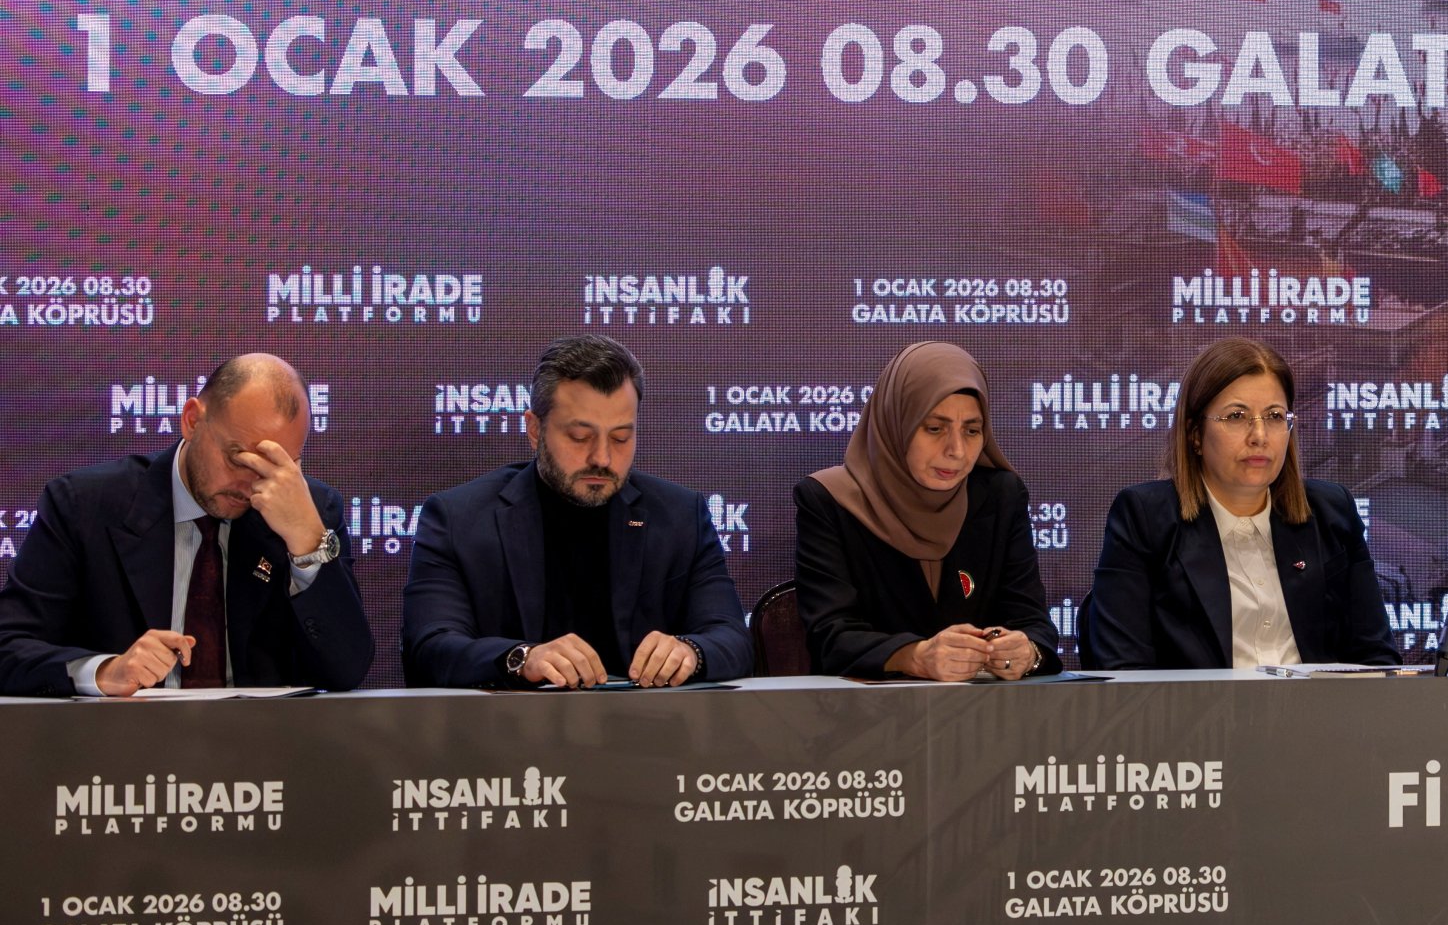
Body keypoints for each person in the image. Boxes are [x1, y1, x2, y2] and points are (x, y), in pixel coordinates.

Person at [0, 352, 370, 697]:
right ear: (192, 420)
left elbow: (346, 672)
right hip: (119, 740)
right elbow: (9, 646)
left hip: (261, 743)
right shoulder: (83, 506)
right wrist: (104, 670)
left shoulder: (311, 512)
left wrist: (307, 543)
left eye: (276, 468)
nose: (251, 487)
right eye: (239, 459)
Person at [400, 335, 752, 688]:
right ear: (535, 430)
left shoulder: (680, 515)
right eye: (580, 437)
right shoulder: (457, 519)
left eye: (620, 438)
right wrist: (522, 658)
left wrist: (690, 651)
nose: (602, 458)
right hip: (509, 721)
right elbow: (429, 649)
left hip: (651, 720)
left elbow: (733, 640)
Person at [1082, 338, 1397, 668]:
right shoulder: (1145, 517)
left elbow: (1377, 657)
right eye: (1236, 416)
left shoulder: (1332, 511)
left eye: (1274, 416)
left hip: (1318, 703)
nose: (1259, 435)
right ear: (1195, 434)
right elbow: (1124, 671)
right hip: (1198, 704)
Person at [792, 340, 1059, 680]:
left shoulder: (1000, 495)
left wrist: (1026, 652)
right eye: (935, 428)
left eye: (972, 431)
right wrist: (915, 656)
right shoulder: (830, 499)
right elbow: (831, 637)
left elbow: (1034, 624)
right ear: (896, 424)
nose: (957, 450)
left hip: (983, 707)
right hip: (866, 707)